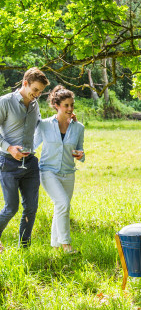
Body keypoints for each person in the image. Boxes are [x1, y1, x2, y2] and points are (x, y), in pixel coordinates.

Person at [0, 68, 49, 250]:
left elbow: (40, 124)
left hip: (30, 164)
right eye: (35, 90)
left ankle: (24, 249)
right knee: (11, 208)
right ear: (25, 83)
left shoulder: (35, 104)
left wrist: (64, 119)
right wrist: (10, 148)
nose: (37, 94)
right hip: (8, 163)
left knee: (31, 208)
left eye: (40, 92)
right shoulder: (5, 102)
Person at [34, 86, 85, 253]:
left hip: (68, 173)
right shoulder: (44, 125)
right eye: (66, 105)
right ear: (57, 105)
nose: (70, 109)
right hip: (48, 171)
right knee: (63, 203)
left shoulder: (79, 128)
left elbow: (80, 151)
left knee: (60, 206)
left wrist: (80, 155)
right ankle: (66, 245)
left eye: (72, 105)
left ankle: (55, 246)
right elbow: (32, 146)